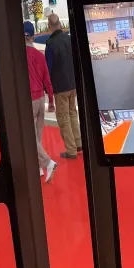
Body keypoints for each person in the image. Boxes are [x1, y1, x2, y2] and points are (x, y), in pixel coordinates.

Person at [44, 13, 81, 159]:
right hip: (73, 84)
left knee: (63, 118)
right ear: (60, 24)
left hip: (60, 88)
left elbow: (48, 69)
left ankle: (71, 150)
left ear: (49, 26)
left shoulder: (51, 44)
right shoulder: (69, 39)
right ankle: (78, 143)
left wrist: (48, 89)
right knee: (73, 113)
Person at [24, 21, 56, 183]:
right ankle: (38, 167)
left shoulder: (19, 57)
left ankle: (48, 163)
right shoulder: (40, 56)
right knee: (37, 136)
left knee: (29, 137)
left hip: (28, 99)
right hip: (40, 99)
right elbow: (47, 80)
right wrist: (51, 100)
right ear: (33, 36)